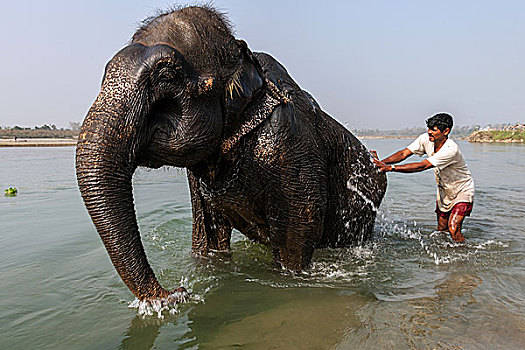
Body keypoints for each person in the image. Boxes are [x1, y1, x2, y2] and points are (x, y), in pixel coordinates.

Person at [372, 113, 474, 242]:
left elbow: (422, 166)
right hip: (445, 190)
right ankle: (446, 255)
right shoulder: (425, 139)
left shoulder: (451, 149)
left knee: (453, 228)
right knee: (442, 230)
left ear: (446, 131)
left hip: (462, 190)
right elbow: (404, 153)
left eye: (434, 130)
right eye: (429, 128)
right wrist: (382, 163)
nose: (429, 132)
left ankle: (464, 254)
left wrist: (391, 168)